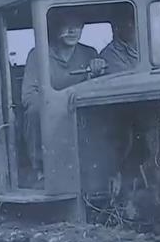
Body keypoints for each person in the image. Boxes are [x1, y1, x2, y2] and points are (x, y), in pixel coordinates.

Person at [20, 12, 106, 185]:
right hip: (52, 111)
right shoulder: (38, 55)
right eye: (67, 25)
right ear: (55, 27)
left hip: (81, 110)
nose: (73, 30)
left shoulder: (89, 53)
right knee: (34, 111)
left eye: (78, 25)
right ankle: (41, 171)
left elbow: (100, 90)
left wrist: (99, 72)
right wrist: (58, 104)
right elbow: (28, 96)